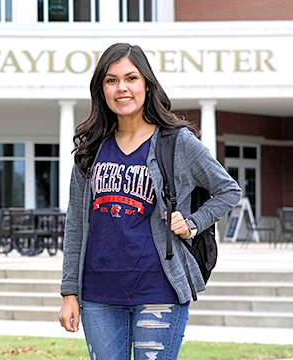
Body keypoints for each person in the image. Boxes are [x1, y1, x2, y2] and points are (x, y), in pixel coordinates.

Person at [58, 43, 241, 360]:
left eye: (131, 78)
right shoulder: (91, 149)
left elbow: (228, 190)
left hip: (159, 289)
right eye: (111, 80)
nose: (122, 88)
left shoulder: (176, 141)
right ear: (101, 89)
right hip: (98, 293)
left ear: (146, 84)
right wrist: (69, 292)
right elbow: (75, 223)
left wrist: (193, 223)